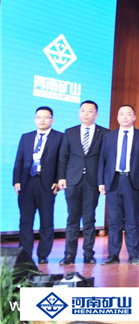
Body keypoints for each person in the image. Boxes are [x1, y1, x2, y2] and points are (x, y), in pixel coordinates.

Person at [57, 100, 108, 265]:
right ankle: (69, 255)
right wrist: (61, 177)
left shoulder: (104, 133)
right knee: (72, 219)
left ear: (96, 115)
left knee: (89, 219)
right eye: (83, 111)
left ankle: (88, 254)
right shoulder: (70, 132)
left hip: (92, 181)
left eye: (90, 111)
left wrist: (102, 181)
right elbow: (63, 156)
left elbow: (105, 159)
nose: (86, 114)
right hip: (73, 180)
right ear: (79, 113)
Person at [97, 105, 139, 265]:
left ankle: (134, 255)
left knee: (132, 220)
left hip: (132, 182)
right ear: (117, 117)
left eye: (128, 114)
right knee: (114, 221)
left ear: (134, 117)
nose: (125, 117)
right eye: (121, 114)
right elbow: (102, 160)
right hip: (113, 181)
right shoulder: (108, 137)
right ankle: (113, 255)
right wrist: (101, 181)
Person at [13, 106, 63, 264]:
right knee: (25, 221)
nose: (42, 120)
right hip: (27, 183)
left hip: (47, 184)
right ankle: (24, 254)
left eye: (46, 117)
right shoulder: (26, 137)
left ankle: (43, 255)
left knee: (46, 221)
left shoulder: (59, 137)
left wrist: (58, 180)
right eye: (39, 117)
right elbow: (19, 159)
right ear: (35, 119)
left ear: (52, 120)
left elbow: (62, 161)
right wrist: (16, 180)